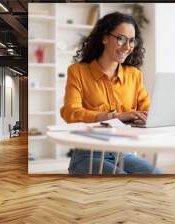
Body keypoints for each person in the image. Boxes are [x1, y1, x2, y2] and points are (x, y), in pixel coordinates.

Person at [61, 12, 161, 175]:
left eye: (131, 41)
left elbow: (148, 111)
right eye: (121, 38)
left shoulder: (134, 74)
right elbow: (70, 113)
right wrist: (114, 117)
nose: (128, 47)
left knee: (157, 175)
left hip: (124, 153)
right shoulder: (78, 71)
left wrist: (150, 117)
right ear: (105, 38)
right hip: (88, 155)